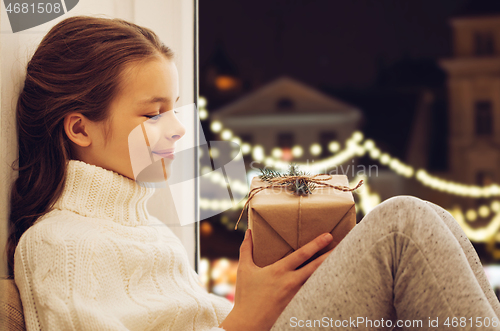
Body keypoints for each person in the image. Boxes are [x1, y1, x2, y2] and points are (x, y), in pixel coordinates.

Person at [6, 15, 500, 331]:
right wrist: (247, 315)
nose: (178, 129)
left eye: (176, 108)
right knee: (403, 224)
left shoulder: (146, 229)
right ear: (80, 128)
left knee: (430, 227)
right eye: (153, 112)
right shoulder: (57, 246)